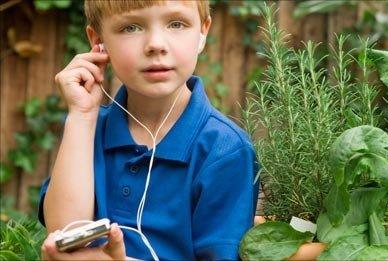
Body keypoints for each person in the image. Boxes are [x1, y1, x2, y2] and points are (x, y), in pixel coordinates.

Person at [38, 1, 259, 260]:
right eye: (131, 27)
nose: (156, 44)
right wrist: (82, 116)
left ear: (202, 33)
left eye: (176, 24)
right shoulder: (89, 129)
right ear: (99, 41)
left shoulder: (224, 150)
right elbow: (64, 237)